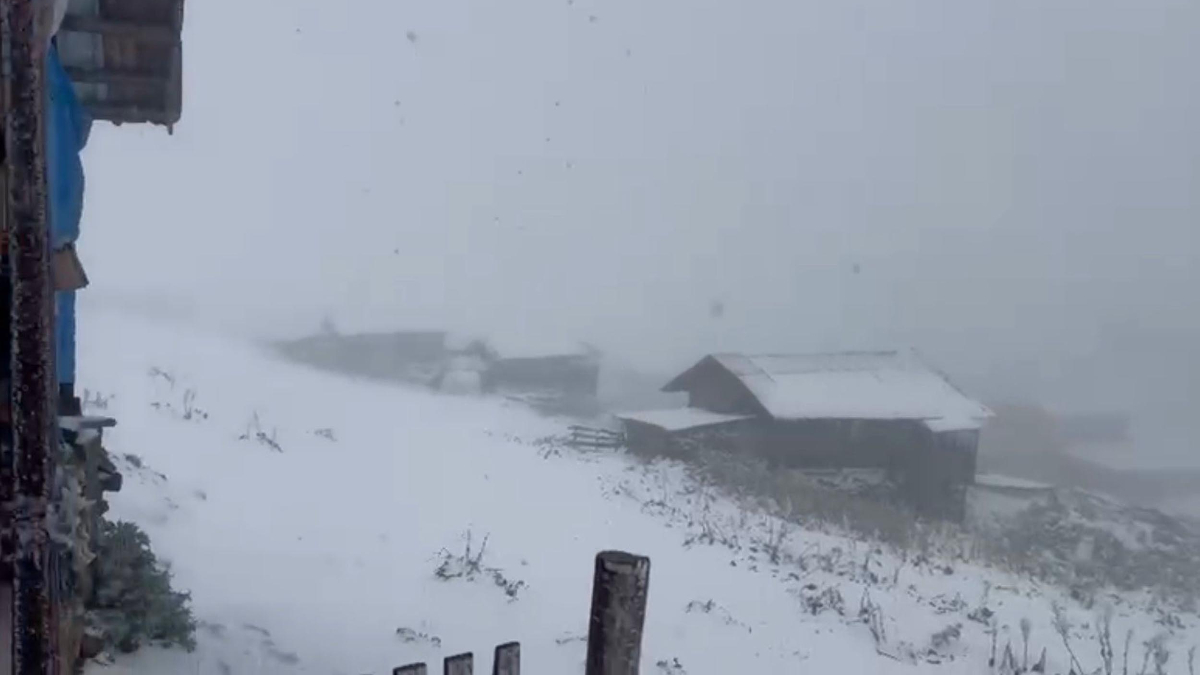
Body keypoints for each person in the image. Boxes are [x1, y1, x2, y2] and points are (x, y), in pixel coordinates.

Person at [46, 33, 93, 416]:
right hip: (60, 223)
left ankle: (56, 393)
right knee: (61, 313)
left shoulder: (34, 73)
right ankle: (62, 392)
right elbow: (81, 125)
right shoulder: (57, 81)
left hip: (37, 219)